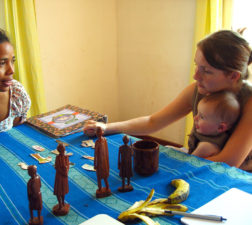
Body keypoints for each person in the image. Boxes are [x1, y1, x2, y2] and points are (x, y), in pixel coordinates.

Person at [84, 30, 252, 172]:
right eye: (196, 66)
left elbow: (228, 162)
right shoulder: (197, 90)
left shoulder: (249, 101)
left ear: (233, 76)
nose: (195, 76)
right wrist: (106, 128)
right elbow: (153, 122)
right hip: (199, 162)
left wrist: (183, 167)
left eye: (206, 71)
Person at [188, 91, 240, 158]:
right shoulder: (210, 135)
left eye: (202, 117)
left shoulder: (206, 146)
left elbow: (188, 163)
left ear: (220, 127)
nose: (195, 118)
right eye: (197, 113)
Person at [53, 143, 70, 216]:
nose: (63, 151)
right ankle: (60, 203)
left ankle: (63, 202)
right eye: (61, 149)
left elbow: (68, 166)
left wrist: (66, 171)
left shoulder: (66, 157)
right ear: (59, 150)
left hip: (64, 176)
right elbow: (56, 166)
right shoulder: (57, 157)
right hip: (59, 176)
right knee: (58, 191)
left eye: (63, 149)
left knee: (63, 190)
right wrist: (62, 171)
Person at [94, 127, 111, 198]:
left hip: (104, 161)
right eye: (97, 132)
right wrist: (95, 163)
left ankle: (107, 187)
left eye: (100, 132)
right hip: (99, 161)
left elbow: (107, 151)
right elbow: (95, 154)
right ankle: (100, 188)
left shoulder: (105, 140)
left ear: (102, 132)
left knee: (105, 175)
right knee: (99, 176)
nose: (99, 134)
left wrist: (107, 161)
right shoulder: (97, 142)